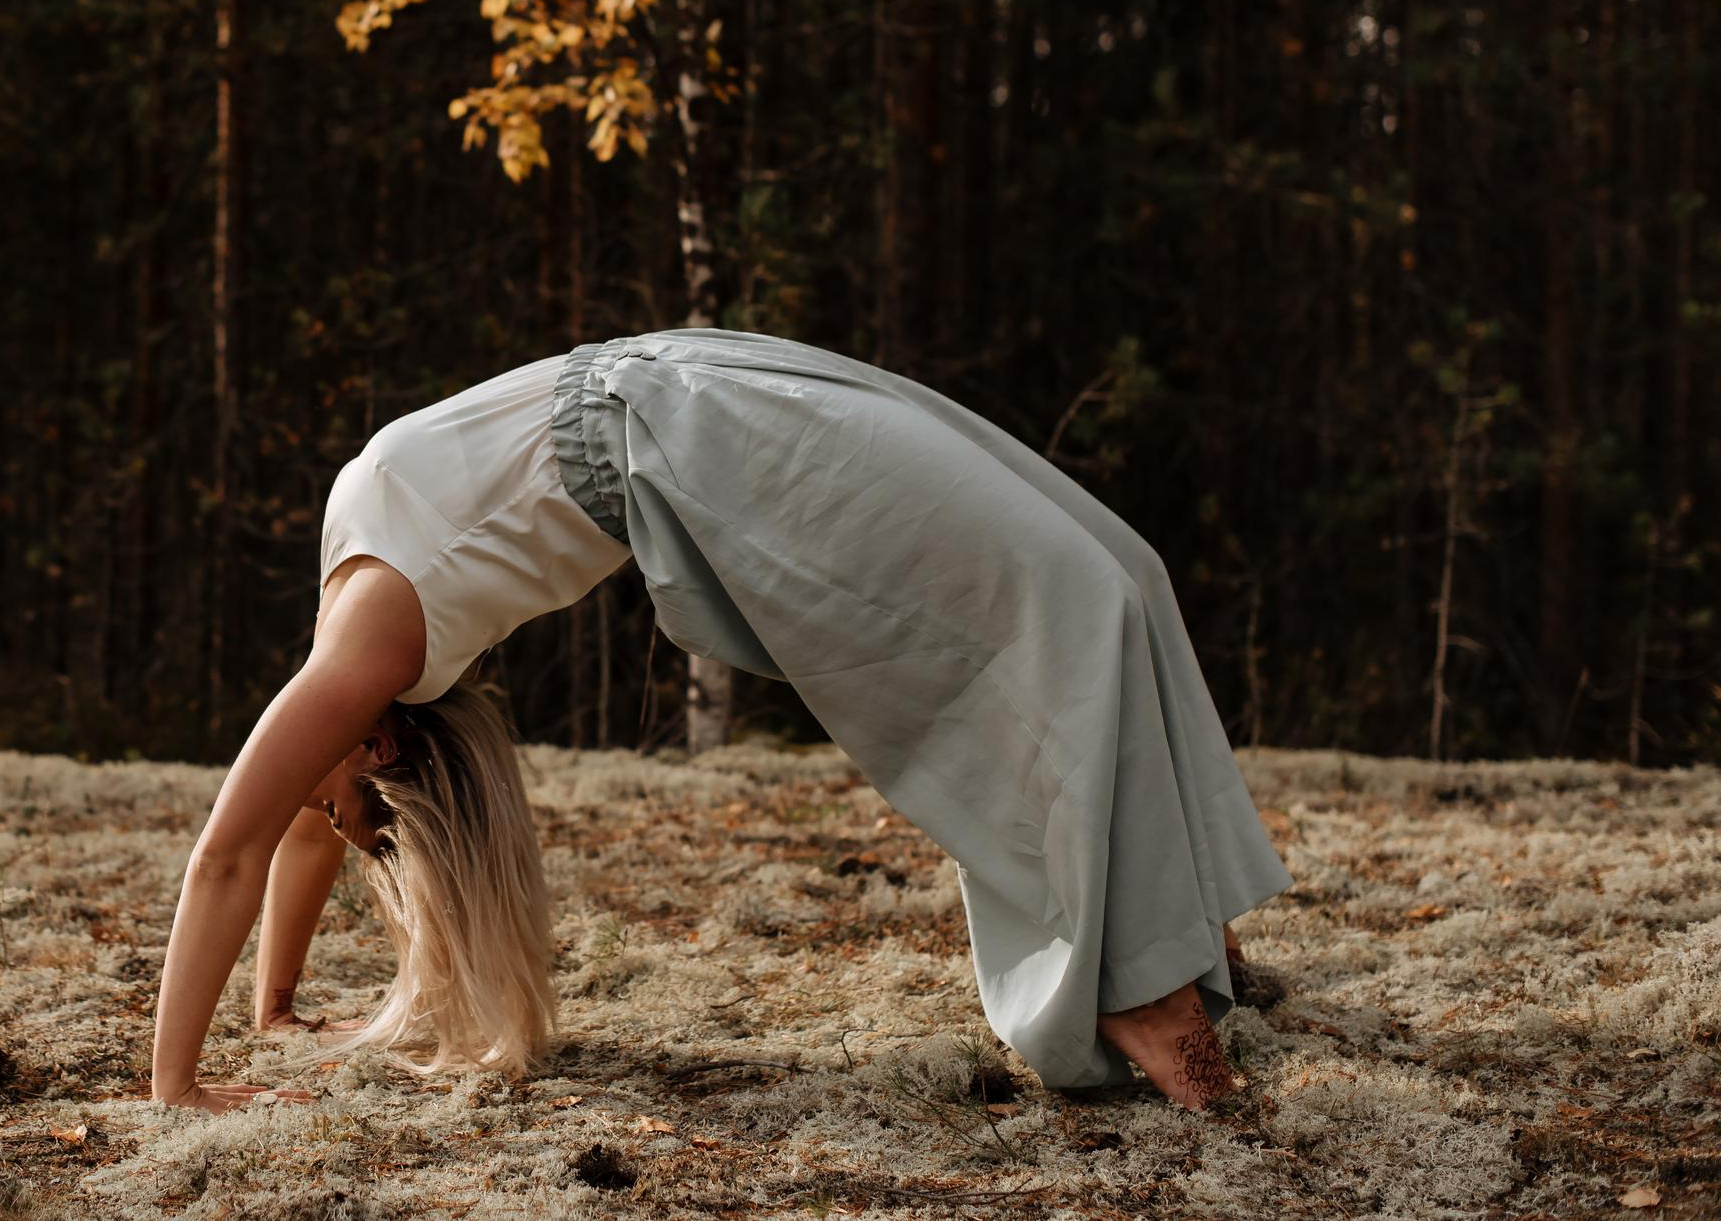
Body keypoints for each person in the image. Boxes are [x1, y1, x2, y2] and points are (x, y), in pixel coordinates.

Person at [147, 328, 1294, 1114]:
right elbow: (286, 833)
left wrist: (172, 1085)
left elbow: (232, 850)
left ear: (375, 744)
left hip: (690, 412)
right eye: (341, 816)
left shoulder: (366, 648)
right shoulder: (367, 645)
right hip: (683, 412)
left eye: (334, 808)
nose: (328, 825)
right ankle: (1151, 970)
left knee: (1108, 577)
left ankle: (1167, 929)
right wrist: (278, 1009)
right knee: (1096, 583)